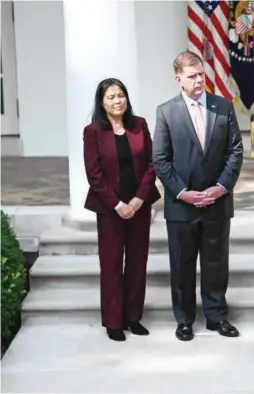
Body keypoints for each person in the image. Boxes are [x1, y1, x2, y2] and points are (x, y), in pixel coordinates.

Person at [153, 50, 244, 341]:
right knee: (182, 264)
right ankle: (184, 320)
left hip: (217, 202)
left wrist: (221, 187)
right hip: (182, 206)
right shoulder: (166, 112)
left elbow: (235, 151)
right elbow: (161, 160)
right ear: (178, 79)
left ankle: (217, 316)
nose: (199, 80)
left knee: (216, 263)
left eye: (202, 74)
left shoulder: (223, 107)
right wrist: (183, 193)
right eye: (192, 76)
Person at [83, 78, 161, 342]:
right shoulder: (92, 131)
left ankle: (133, 317)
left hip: (139, 204)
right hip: (109, 208)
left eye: (121, 95)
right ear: (102, 103)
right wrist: (117, 204)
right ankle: (114, 322)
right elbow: (94, 174)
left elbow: (152, 164)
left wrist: (139, 199)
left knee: (138, 262)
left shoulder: (139, 125)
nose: (117, 101)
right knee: (112, 264)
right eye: (111, 97)